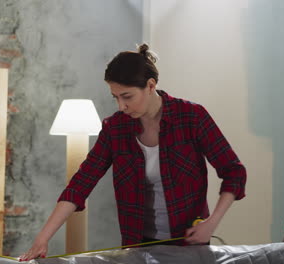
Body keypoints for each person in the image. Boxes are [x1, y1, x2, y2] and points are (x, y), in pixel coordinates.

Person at [19, 44, 247, 261]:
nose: (121, 106)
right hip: (137, 248)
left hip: (190, 247)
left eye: (127, 96)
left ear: (150, 85)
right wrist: (43, 237)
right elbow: (80, 184)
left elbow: (233, 172)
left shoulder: (192, 117)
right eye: (115, 97)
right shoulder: (115, 129)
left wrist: (212, 223)